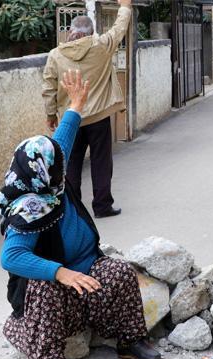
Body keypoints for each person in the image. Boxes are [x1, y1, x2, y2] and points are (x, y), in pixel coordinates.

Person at [1, 70, 160, 359]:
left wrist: (76, 103)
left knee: (119, 271)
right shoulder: (28, 207)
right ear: (42, 175)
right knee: (43, 289)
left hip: (87, 273)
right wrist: (59, 272)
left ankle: (130, 342)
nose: (64, 169)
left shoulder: (50, 172)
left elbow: (63, 138)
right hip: (55, 289)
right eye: (58, 169)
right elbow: (11, 257)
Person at [42, 0, 132, 219]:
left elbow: (48, 87)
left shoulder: (55, 55)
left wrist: (51, 114)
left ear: (70, 31)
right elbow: (120, 28)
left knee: (71, 164)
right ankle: (102, 206)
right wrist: (125, 6)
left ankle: (73, 211)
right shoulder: (100, 45)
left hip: (71, 117)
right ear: (91, 32)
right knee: (101, 162)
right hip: (98, 117)